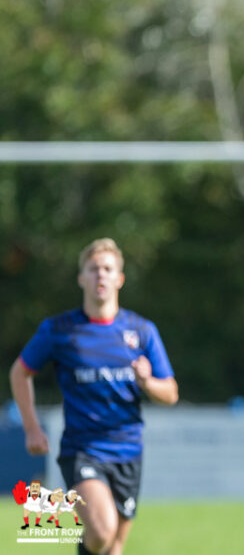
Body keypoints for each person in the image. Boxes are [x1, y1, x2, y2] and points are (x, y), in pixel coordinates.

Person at [9, 238, 180, 555]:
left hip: (129, 452)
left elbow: (170, 393)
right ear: (81, 278)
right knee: (101, 531)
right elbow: (20, 372)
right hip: (83, 450)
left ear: (119, 278)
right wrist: (32, 427)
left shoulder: (142, 331)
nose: (100, 275)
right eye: (93, 269)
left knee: (113, 547)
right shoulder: (59, 330)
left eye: (107, 269)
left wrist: (147, 382)